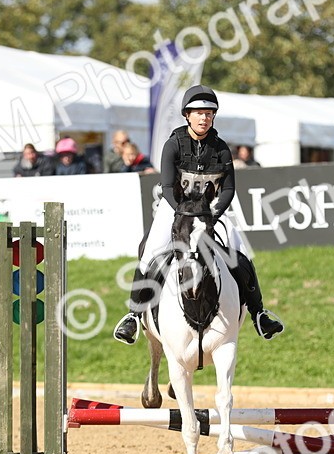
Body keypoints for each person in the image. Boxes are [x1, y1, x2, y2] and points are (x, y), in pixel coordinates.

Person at [112, 85, 284, 344]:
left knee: (241, 253)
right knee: (150, 253)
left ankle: (259, 314)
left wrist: (212, 213)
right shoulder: (173, 145)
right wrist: (184, 213)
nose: (204, 118)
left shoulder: (221, 148)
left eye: (209, 113)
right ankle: (133, 316)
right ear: (187, 115)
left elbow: (228, 189)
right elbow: (167, 187)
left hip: (210, 211)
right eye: (199, 113)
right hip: (175, 209)